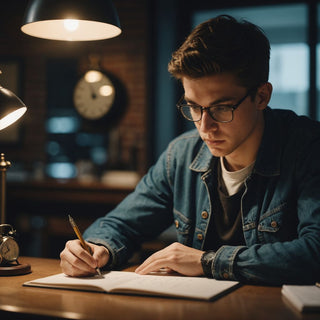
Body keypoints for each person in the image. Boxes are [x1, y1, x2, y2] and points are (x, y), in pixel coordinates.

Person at [60, 15, 320, 285]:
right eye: (193, 106)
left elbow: (314, 253)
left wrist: (206, 261)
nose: (204, 126)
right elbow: (121, 224)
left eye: (221, 108)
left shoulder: (308, 148)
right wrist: (94, 248)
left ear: (262, 96)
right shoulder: (182, 155)